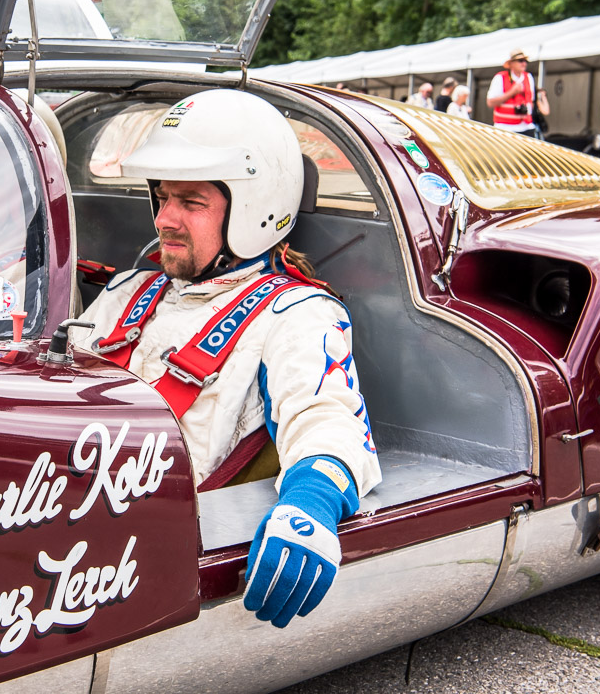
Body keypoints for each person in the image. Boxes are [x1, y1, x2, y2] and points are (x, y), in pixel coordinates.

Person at [75, 89, 381, 628]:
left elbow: (326, 419)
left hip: (129, 545)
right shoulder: (129, 289)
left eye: (190, 203)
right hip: (62, 494)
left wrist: (309, 503)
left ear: (255, 211)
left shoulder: (295, 313)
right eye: (162, 197)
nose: (164, 219)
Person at [487, 48, 539, 137]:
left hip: (526, 127)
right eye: (520, 61)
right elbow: (490, 103)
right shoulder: (500, 77)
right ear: (511, 63)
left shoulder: (528, 77)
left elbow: (531, 101)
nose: (524, 63)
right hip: (505, 127)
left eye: (525, 61)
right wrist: (512, 92)